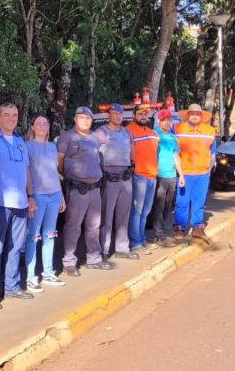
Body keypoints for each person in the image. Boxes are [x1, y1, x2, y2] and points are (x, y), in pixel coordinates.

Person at [0, 102, 35, 301]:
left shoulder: (20, 141)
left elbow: (26, 171)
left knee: (15, 247)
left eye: (14, 115)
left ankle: (12, 287)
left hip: (21, 203)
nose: (11, 118)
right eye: (7, 114)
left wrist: (30, 196)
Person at [57, 106, 114, 276]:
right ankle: (69, 261)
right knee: (73, 227)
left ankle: (94, 258)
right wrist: (70, 175)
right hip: (77, 189)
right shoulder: (67, 137)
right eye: (81, 117)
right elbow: (58, 162)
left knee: (94, 226)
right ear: (75, 119)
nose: (85, 120)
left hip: (95, 189)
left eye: (88, 118)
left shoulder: (94, 137)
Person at [24, 114, 66, 292]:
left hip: (54, 195)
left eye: (45, 123)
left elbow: (54, 173)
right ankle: (30, 276)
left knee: (50, 235)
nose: (42, 126)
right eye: (38, 123)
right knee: (33, 236)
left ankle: (48, 272)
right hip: (38, 197)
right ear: (32, 127)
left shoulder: (51, 147)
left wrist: (62, 195)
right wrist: (30, 195)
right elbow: (26, 173)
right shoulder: (27, 146)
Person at [94, 103, 139, 262]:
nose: (118, 116)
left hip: (125, 178)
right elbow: (93, 153)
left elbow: (132, 149)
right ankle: (104, 251)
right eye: (114, 113)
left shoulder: (127, 133)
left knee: (123, 216)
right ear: (109, 116)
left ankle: (122, 248)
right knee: (106, 217)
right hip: (109, 179)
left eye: (120, 114)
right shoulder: (101, 132)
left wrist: (132, 164)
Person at [173, 103, 216, 243]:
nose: (195, 116)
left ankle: (197, 228)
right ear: (187, 116)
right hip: (184, 173)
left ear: (201, 116)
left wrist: (209, 169)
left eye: (197, 114)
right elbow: (172, 151)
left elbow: (213, 152)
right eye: (192, 114)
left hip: (202, 174)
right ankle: (179, 228)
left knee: (199, 202)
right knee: (182, 202)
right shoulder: (177, 129)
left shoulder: (210, 131)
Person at [126, 104, 159, 255]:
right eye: (140, 113)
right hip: (138, 175)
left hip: (152, 176)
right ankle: (135, 242)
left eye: (146, 113)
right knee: (137, 211)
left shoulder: (153, 133)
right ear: (134, 115)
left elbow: (156, 154)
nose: (143, 116)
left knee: (145, 211)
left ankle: (141, 238)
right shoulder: (128, 131)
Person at [152, 108, 185, 247]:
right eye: (163, 120)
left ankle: (162, 229)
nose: (166, 123)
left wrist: (181, 175)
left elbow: (176, 156)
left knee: (167, 206)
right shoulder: (154, 135)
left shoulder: (172, 137)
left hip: (172, 176)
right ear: (158, 121)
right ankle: (159, 234)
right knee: (159, 206)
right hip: (159, 176)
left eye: (168, 120)